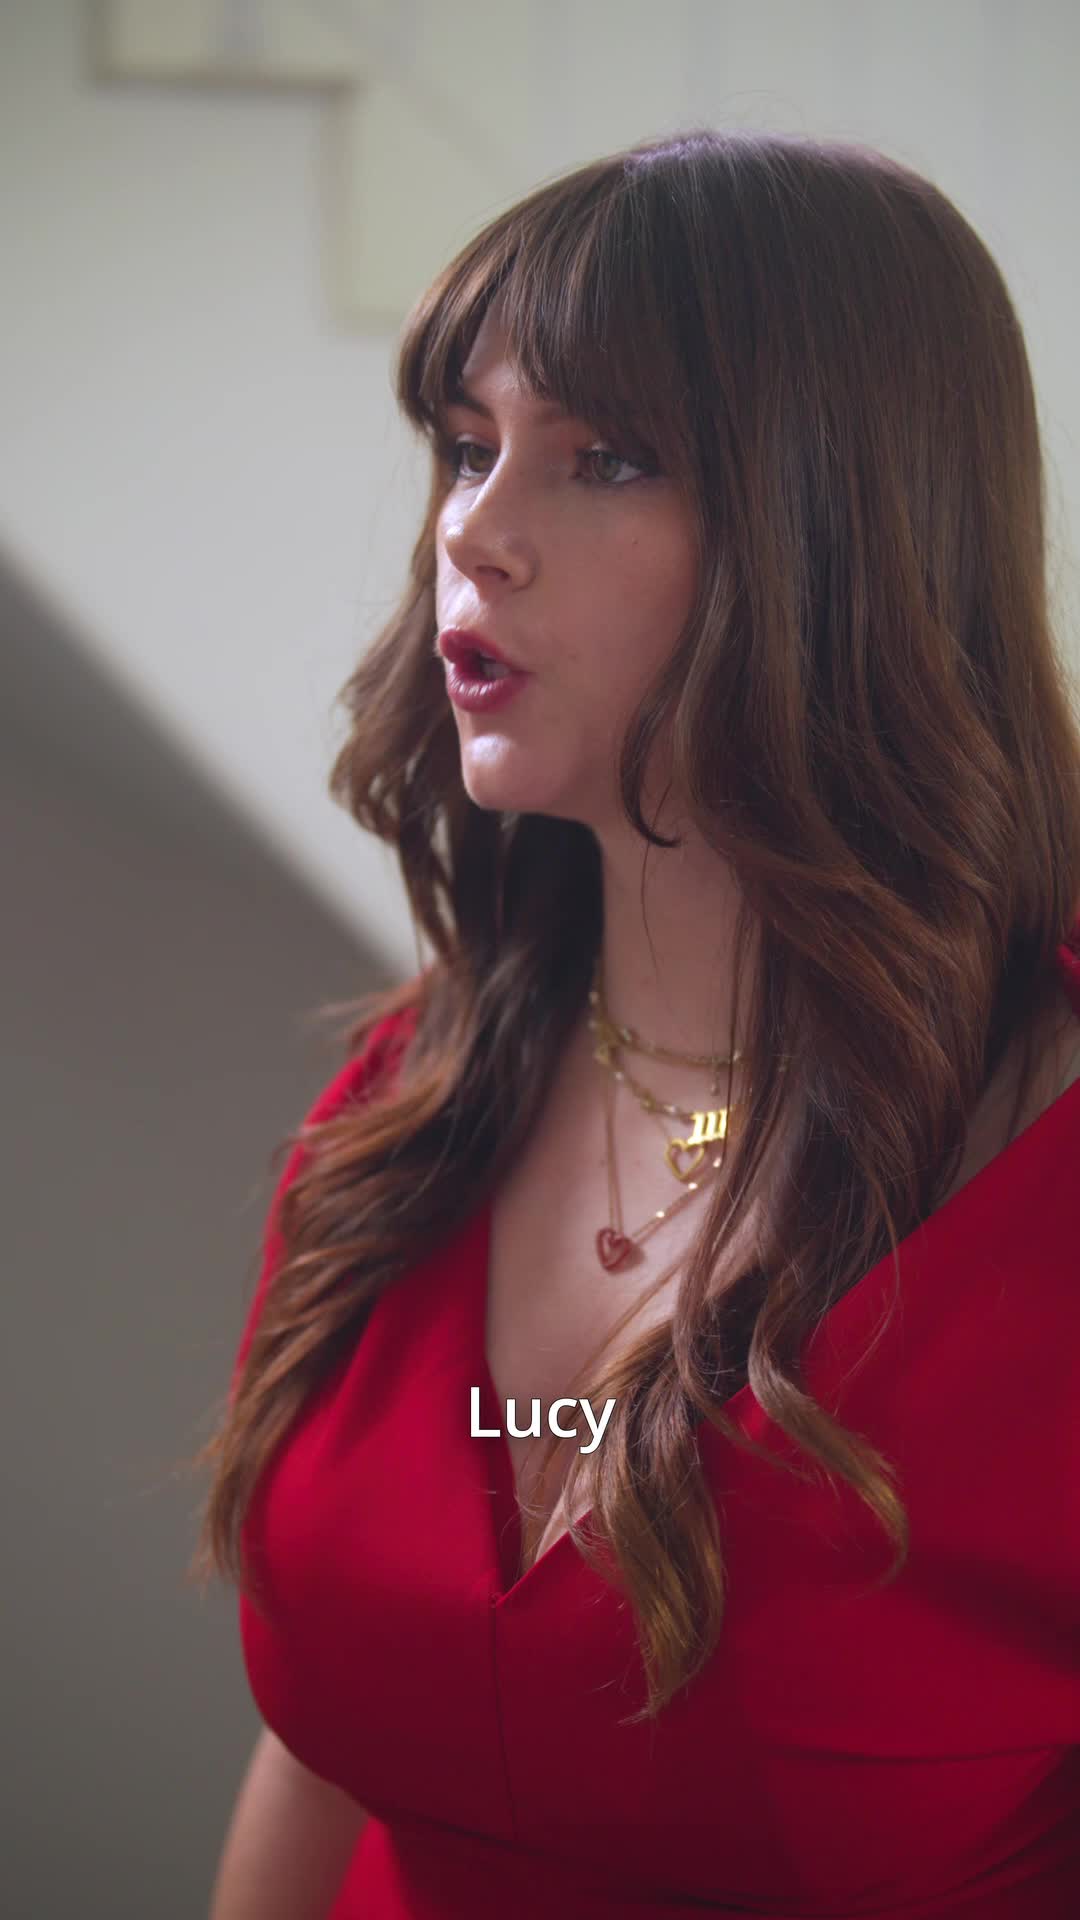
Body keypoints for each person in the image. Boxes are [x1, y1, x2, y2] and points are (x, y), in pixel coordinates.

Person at [192, 127, 1080, 1919]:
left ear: (846, 530)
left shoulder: (1041, 1180)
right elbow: (325, 1749)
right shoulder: (405, 1108)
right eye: (467, 446)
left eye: (605, 457)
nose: (472, 529)